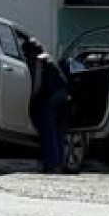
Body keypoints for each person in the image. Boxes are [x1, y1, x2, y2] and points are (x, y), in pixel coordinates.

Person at [24, 37, 73, 172]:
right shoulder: (49, 59)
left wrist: (32, 101)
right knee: (58, 132)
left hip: (52, 96)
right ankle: (57, 164)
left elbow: (37, 83)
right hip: (64, 96)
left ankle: (50, 164)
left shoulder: (39, 59)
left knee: (48, 130)